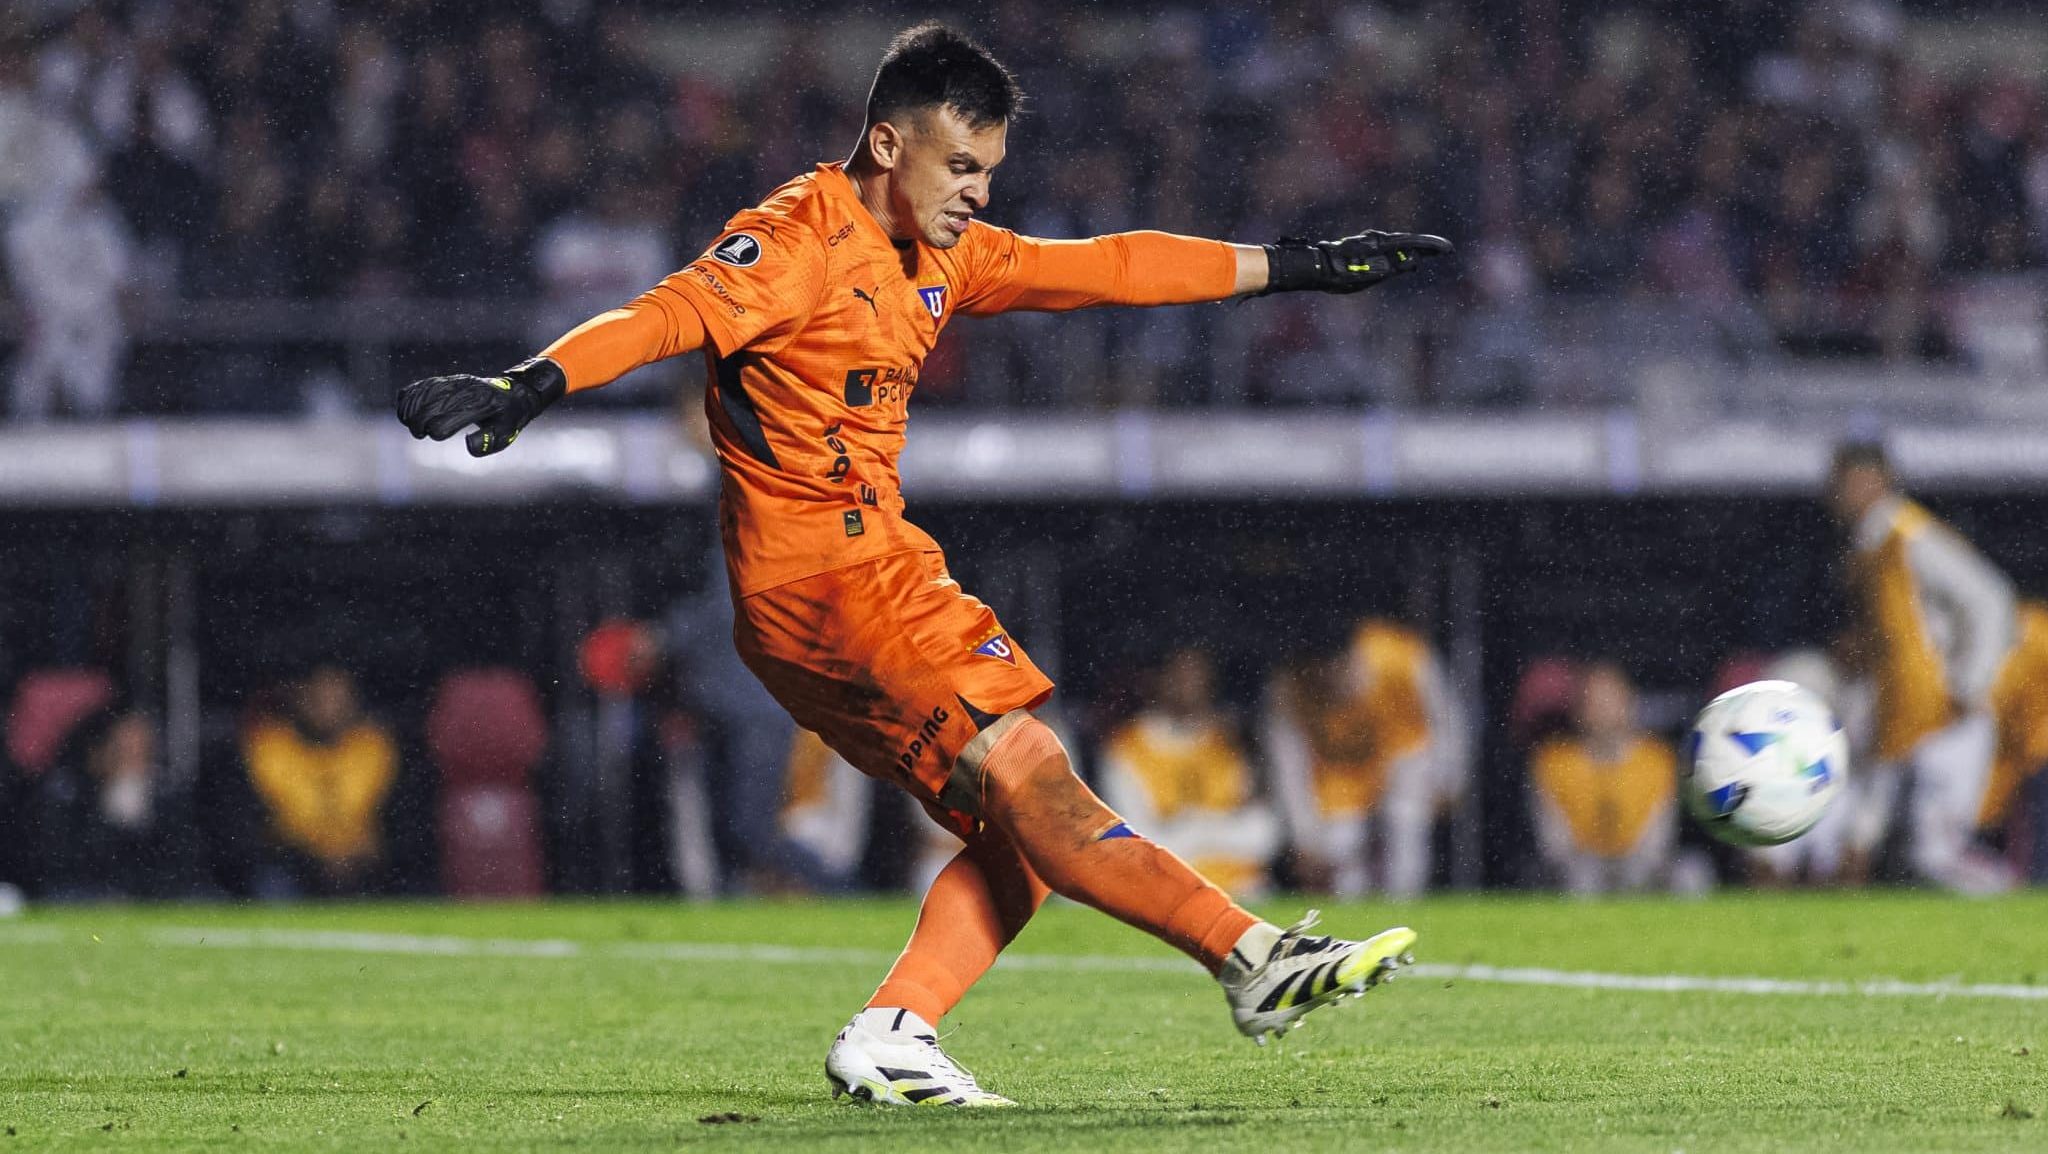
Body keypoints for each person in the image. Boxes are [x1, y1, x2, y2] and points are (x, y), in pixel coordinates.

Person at [397, 23, 1450, 1106]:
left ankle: (896, 1029)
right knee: (1034, 776)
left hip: (863, 577)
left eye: (988, 171)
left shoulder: (947, 250)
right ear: (889, 143)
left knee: (1022, 830)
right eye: (959, 166)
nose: (976, 194)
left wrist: (1297, 266)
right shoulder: (797, 237)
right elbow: (664, 315)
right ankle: (1252, 956)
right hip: (829, 583)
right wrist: (531, 382)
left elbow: (1107, 266)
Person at [1827, 442, 2017, 892]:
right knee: (1871, 843)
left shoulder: (1910, 534)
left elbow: (1990, 599)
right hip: (1902, 709)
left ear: (1877, 482)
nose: (1839, 494)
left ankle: (2012, 896)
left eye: (1849, 482)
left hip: (1945, 712)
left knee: (1934, 855)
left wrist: (1970, 684)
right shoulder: (1868, 544)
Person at [1261, 619, 1468, 897]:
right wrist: (1306, 840)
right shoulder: (1291, 689)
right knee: (1340, 840)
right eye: (1321, 670)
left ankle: (1405, 903)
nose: (1330, 677)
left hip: (1403, 754)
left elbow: (1446, 715)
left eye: (1338, 666)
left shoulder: (1396, 654)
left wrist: (1450, 779)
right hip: (1344, 774)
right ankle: (1352, 911)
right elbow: (1289, 770)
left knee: (1406, 816)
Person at [1098, 647, 1279, 899]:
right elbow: (1136, 844)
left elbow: (1264, 834)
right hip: (1161, 890)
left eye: (1197, 674)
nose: (1189, 685)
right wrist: (1215, 831)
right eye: (1180, 674)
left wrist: (1189, 828)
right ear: (1159, 679)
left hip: (1241, 889)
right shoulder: (1127, 748)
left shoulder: (1232, 742)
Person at [242, 663, 398, 898]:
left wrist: (346, 851)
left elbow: (373, 811)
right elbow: (287, 816)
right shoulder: (272, 745)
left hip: (359, 865)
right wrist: (324, 850)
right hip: (293, 862)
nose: (329, 708)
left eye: (337, 699)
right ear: (302, 698)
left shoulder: (372, 746)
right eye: (320, 698)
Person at [1527, 662, 1678, 895]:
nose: (1602, 710)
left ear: (1629, 703)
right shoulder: (1554, 761)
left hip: (1641, 866)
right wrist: (1595, 862)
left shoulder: (1657, 759)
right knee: (1583, 878)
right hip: (1578, 867)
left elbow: (1657, 841)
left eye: (1609, 700)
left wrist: (1628, 867)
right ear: (1578, 710)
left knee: (1692, 873)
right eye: (1594, 702)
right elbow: (1555, 843)